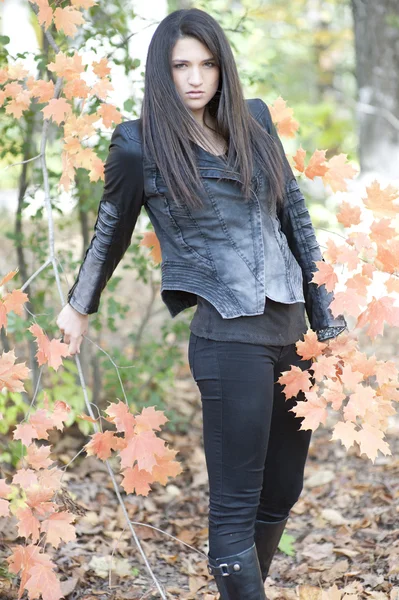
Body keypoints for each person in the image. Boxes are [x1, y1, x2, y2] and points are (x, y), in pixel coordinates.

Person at [56, 8, 347, 599]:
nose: (195, 77)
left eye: (207, 63)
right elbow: (110, 228)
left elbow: (295, 215)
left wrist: (326, 315)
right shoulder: (139, 145)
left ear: (223, 67)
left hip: (294, 332)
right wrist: (77, 307)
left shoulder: (255, 121)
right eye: (180, 65)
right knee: (236, 504)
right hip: (228, 338)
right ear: (162, 73)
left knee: (283, 489)